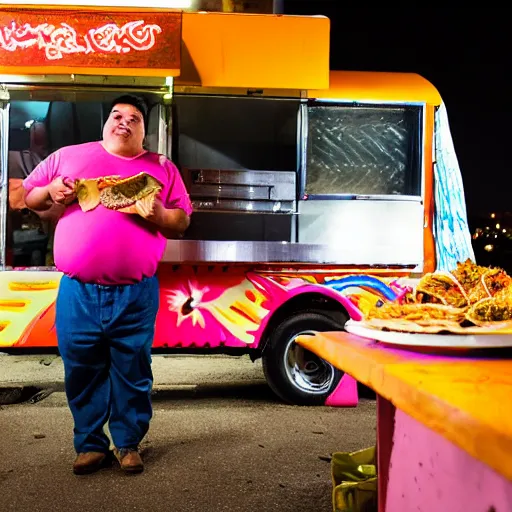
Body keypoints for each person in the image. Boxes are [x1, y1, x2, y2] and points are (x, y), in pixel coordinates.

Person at [23, 95, 193, 475]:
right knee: (81, 368)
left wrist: (161, 214)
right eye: (117, 115)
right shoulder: (69, 156)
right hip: (77, 290)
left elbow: (181, 220)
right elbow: (29, 197)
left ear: (144, 132)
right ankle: (89, 444)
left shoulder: (161, 168)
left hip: (136, 291)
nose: (124, 122)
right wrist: (51, 192)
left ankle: (128, 444)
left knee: (133, 369)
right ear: (106, 123)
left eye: (134, 118)